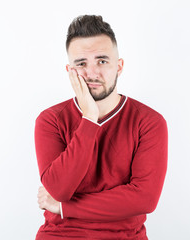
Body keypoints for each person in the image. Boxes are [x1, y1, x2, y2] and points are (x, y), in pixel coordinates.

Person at [34, 15, 168, 240]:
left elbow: (144, 199)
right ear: (70, 70)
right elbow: (59, 190)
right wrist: (89, 119)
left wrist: (65, 207)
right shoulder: (50, 120)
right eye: (81, 63)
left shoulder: (149, 122)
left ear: (119, 66)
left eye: (102, 61)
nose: (92, 73)